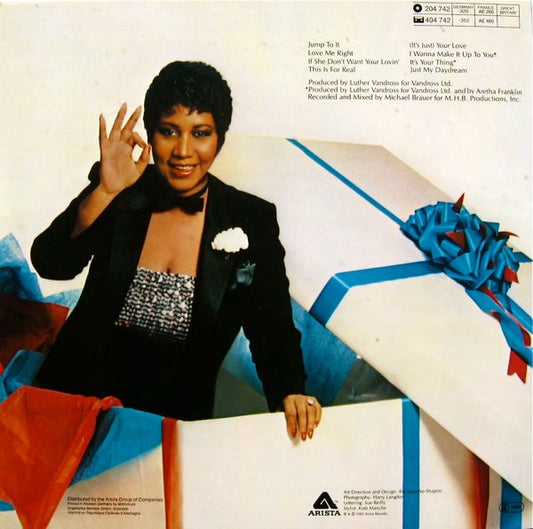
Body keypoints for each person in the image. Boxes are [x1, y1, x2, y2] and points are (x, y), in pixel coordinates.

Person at [31, 61, 321, 440]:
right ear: (150, 135)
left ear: (219, 138)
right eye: (169, 131)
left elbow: (272, 329)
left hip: (168, 424)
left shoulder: (250, 218)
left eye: (200, 133)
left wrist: (290, 392)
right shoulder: (123, 186)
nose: (184, 151)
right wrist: (104, 192)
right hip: (72, 400)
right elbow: (51, 263)